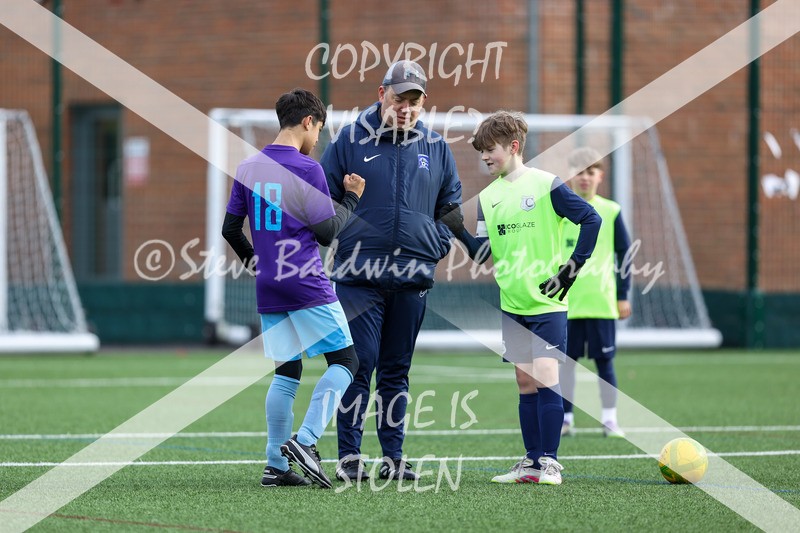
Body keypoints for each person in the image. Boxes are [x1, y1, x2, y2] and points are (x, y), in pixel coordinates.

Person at [439, 111, 601, 485]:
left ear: (513, 147)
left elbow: (591, 219)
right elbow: (483, 255)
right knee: (525, 384)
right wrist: (459, 231)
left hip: (546, 304)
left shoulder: (547, 185)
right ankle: (530, 462)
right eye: (481, 151)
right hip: (512, 305)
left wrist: (571, 268)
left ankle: (550, 463)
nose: (484, 157)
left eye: (489, 149)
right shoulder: (489, 197)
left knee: (546, 378)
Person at [320, 60, 463, 482]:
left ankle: (394, 457)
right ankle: (349, 456)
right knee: (358, 365)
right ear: (382, 94)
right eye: (400, 98)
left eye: (414, 101)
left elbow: (449, 208)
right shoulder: (347, 140)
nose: (406, 108)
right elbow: (322, 201)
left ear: (423, 104)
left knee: (396, 371)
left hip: (411, 281)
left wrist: (436, 244)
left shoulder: (436, 148)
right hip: (357, 279)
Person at [222, 88, 365, 489]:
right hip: (306, 283)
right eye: (318, 129)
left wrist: (260, 265)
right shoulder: (307, 168)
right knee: (347, 362)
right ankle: (305, 441)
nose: (317, 138)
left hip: (271, 286)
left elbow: (230, 230)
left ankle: (274, 464)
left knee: (287, 370)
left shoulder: (249, 167)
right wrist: (352, 199)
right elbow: (326, 232)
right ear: (307, 122)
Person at [558, 147, 632, 438]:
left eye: (591, 171)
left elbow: (624, 254)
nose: (585, 178)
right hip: (567, 304)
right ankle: (566, 419)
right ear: (570, 177)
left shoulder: (611, 211)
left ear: (600, 176)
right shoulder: (560, 212)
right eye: (579, 172)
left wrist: (623, 295)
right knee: (566, 365)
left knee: (605, 363)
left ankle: (610, 419)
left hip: (601, 304)